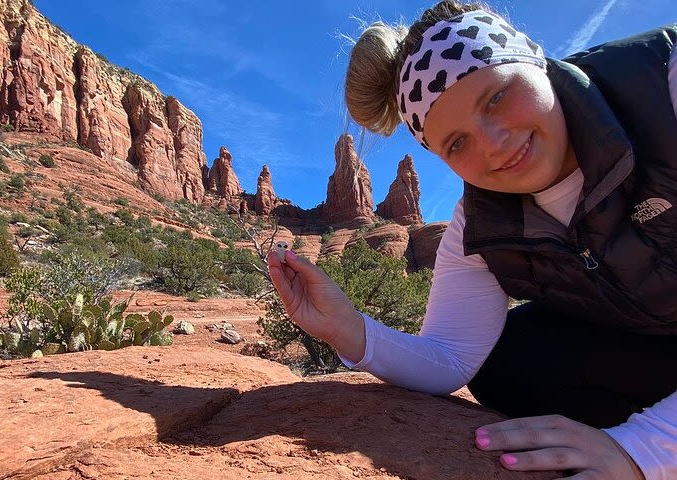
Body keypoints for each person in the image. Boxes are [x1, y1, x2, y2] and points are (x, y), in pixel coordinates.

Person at [267, 1, 677, 478]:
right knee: (512, 358)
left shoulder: (662, 85)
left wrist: (644, 450)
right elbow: (454, 356)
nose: (493, 142)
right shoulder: (482, 223)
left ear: (532, 56)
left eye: (496, 98)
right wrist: (349, 329)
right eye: (457, 143)